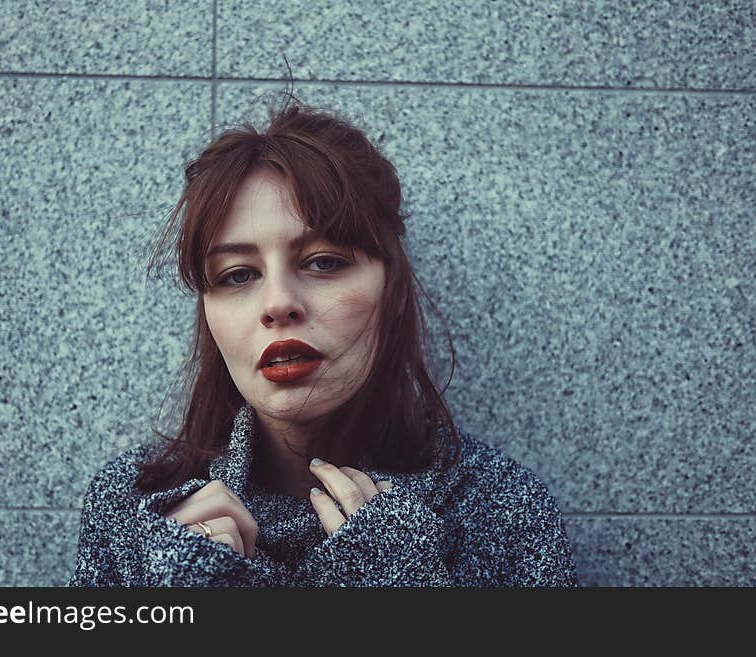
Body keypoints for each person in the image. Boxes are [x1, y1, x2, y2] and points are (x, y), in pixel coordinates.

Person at [69, 92, 578, 587]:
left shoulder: (502, 509)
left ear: (393, 291)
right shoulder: (133, 512)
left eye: (323, 262)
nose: (277, 304)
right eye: (238, 275)